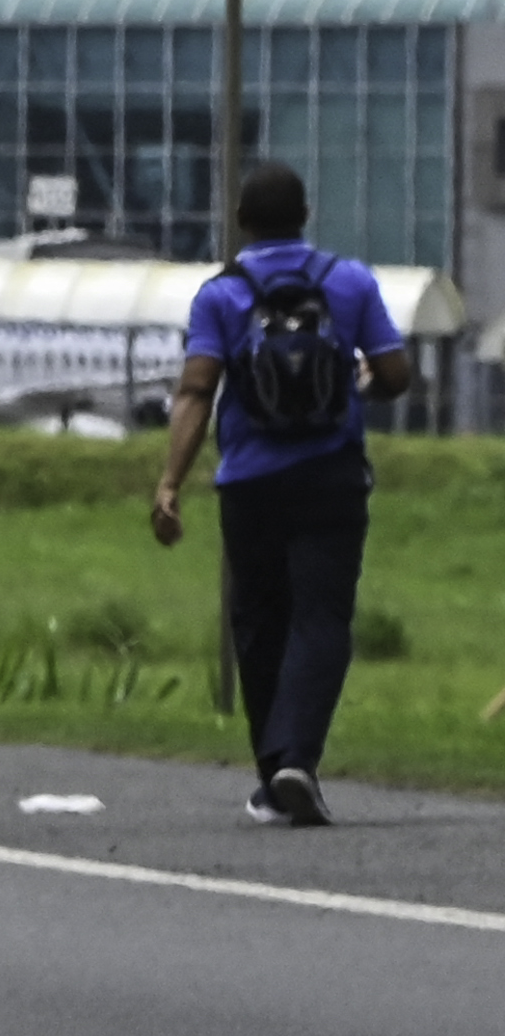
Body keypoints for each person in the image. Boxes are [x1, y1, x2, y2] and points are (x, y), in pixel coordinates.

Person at [151, 162, 414, 828]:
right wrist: (357, 388)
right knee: (321, 617)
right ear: (305, 215)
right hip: (332, 476)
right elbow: (395, 372)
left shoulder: (221, 293)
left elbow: (195, 391)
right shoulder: (349, 282)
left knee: (259, 620)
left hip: (250, 482)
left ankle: (276, 772)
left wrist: (170, 482)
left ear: (241, 221)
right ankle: (296, 762)